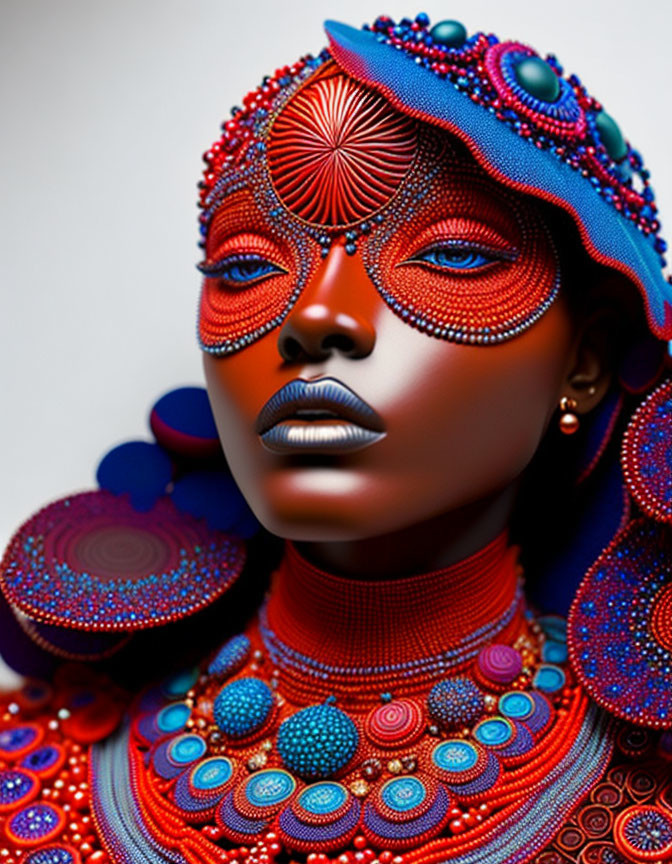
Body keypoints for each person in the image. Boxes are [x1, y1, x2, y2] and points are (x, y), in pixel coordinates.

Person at [0, 12, 671, 864]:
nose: (316, 320)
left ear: (585, 363)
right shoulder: (31, 772)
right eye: (248, 267)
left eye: (451, 258)